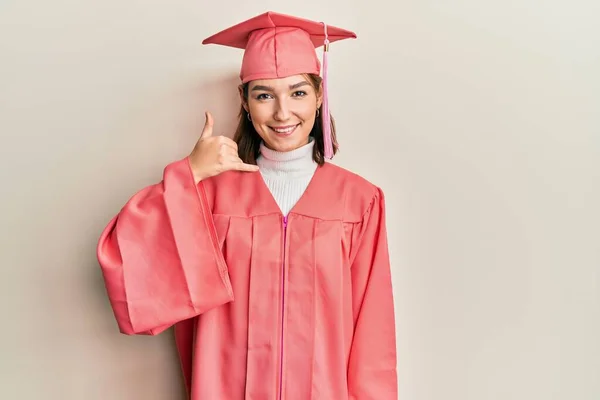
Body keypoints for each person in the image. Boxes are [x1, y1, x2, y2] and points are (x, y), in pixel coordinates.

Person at [97, 11, 397, 400]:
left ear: (320, 95)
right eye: (264, 95)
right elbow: (125, 261)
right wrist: (189, 174)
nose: (282, 112)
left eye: (298, 92)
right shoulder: (211, 195)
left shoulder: (359, 201)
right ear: (244, 99)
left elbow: (373, 340)